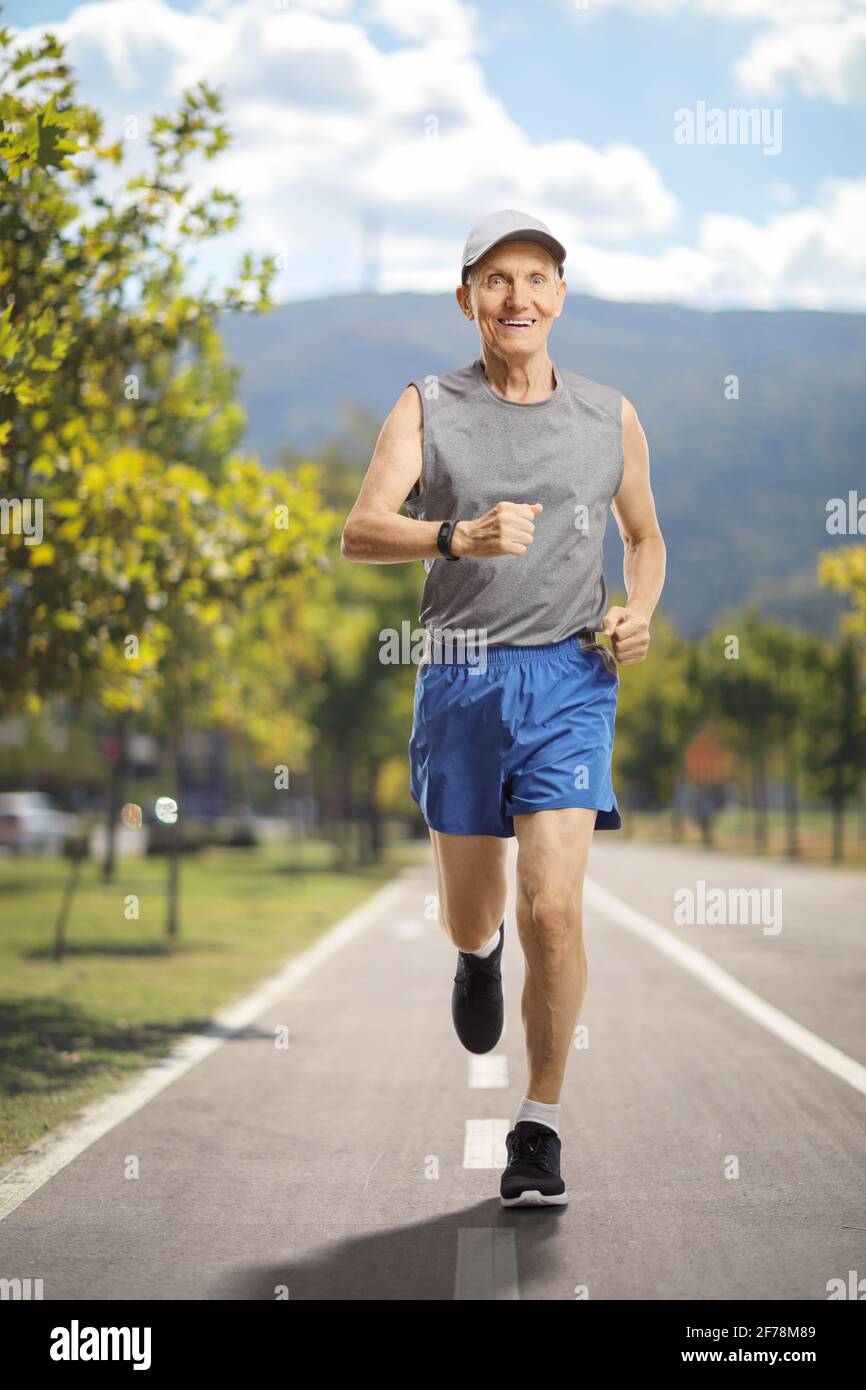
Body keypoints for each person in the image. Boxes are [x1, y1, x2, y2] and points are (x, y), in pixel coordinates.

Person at [341, 209, 666, 1207]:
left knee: (554, 907)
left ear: (559, 295)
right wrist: (452, 540)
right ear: (465, 298)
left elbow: (644, 538)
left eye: (535, 278)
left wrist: (636, 612)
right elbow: (360, 530)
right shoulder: (428, 405)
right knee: (476, 910)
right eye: (495, 280)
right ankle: (475, 957)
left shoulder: (608, 414)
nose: (516, 297)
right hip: (461, 676)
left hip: (571, 681)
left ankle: (539, 1126)